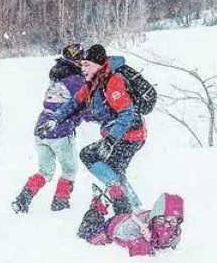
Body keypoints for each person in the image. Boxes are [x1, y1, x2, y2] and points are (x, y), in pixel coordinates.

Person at [43, 44, 147, 215]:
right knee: (110, 168)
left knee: (100, 161)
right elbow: (73, 103)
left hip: (130, 135)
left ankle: (131, 207)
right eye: (82, 64)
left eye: (87, 64)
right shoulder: (92, 83)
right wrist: (55, 119)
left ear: (99, 64)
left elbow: (127, 114)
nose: (82, 68)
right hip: (116, 135)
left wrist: (111, 140)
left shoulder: (114, 81)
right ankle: (128, 205)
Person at [13, 44, 87, 213]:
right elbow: (84, 104)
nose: (84, 64)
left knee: (45, 171)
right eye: (82, 59)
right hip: (60, 130)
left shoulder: (56, 79)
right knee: (70, 169)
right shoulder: (77, 81)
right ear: (76, 60)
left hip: (41, 129)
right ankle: (60, 202)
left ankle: (23, 199)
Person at [77, 187, 183, 257]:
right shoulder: (134, 229)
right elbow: (120, 236)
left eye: (172, 221)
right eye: (161, 220)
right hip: (114, 226)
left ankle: (118, 195)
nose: (166, 225)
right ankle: (98, 206)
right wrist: (145, 241)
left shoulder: (175, 234)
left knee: (124, 214)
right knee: (86, 234)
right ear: (154, 217)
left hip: (129, 217)